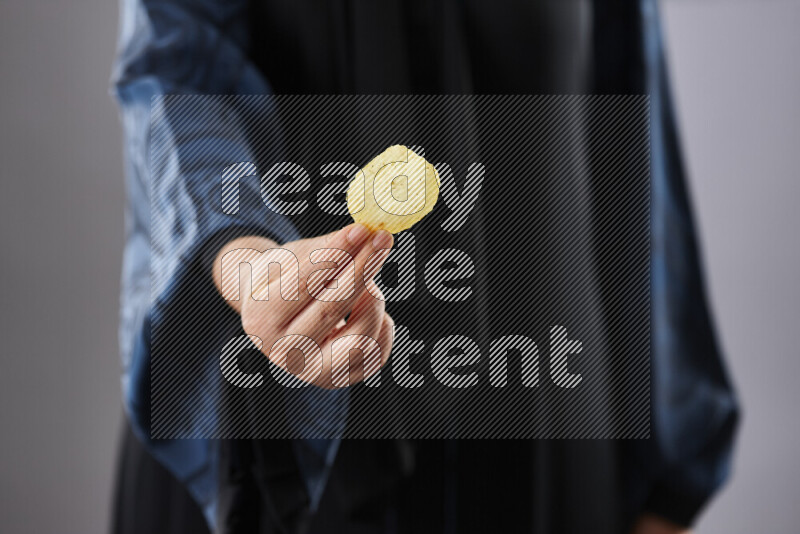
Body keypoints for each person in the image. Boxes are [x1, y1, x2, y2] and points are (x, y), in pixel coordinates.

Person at [110, 1, 739, 533]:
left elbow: (628, 116)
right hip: (275, 421)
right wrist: (249, 264)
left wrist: (674, 469)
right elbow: (175, 70)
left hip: (544, 419)